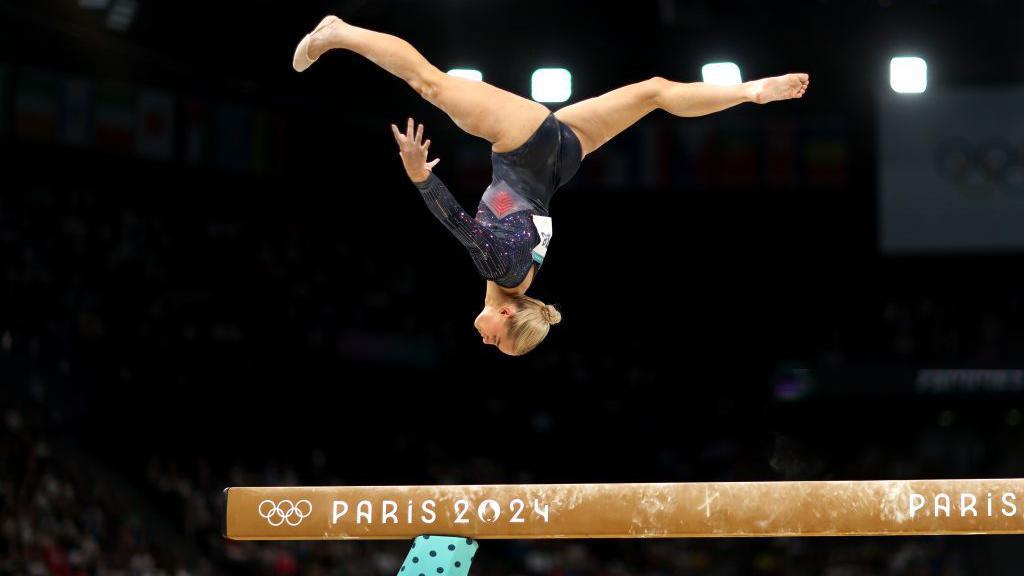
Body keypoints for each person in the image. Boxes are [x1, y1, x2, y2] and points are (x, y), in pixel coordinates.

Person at [293, 15, 809, 355]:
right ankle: (336, 32)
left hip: (562, 160)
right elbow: (460, 226)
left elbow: (481, 227)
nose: (487, 343)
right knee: (430, 82)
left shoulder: (522, 280)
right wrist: (420, 175)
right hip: (525, 147)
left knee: (654, 91)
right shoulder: (504, 271)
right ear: (506, 312)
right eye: (498, 341)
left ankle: (748, 91)